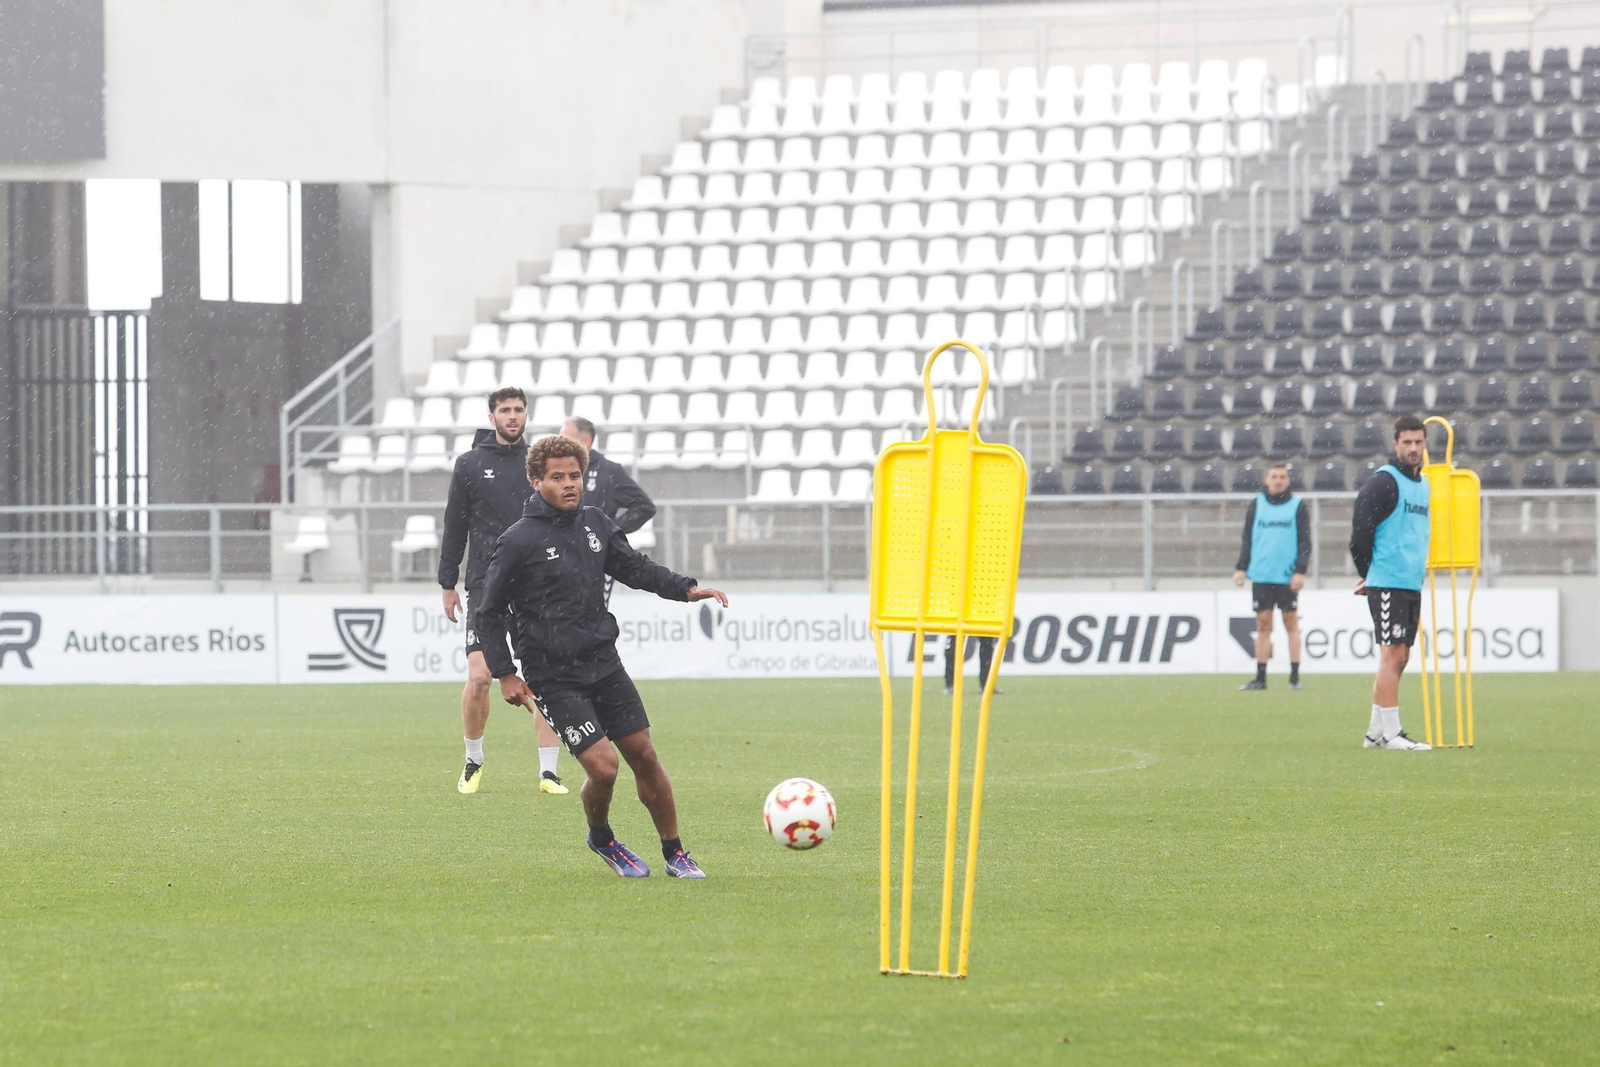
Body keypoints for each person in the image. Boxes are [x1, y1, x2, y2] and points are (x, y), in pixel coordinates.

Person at [475, 435, 729, 878]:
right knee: (604, 768)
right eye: (557, 477)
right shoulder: (518, 541)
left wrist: (686, 589)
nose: (569, 484)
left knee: (643, 754)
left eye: (575, 475)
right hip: (554, 677)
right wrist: (504, 672)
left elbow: (635, 568)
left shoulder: (595, 523)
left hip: (603, 662)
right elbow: (488, 611)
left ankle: (676, 853)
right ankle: (602, 838)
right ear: (536, 481)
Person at [439, 387, 569, 795]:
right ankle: (473, 760)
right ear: (492, 416)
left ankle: (549, 772)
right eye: (505, 410)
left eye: (519, 410)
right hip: (484, 585)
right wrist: (447, 582)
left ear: (526, 415)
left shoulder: (539, 463)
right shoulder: (470, 463)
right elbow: (455, 526)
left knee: (546, 676)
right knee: (480, 677)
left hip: (535, 585)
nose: (513, 416)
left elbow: (560, 517)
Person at [1349, 415, 1433, 751]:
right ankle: (1394, 734)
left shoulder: (1423, 484)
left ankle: (1375, 733)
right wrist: (1369, 573)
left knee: (1401, 658)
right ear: (1396, 444)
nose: (1414, 448)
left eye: (1419, 442)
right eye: (1407, 442)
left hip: (1411, 583)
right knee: (1390, 654)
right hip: (1388, 582)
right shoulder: (1383, 482)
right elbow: (1360, 534)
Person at [560, 417, 656, 604]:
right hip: (563, 556)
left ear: (586, 441)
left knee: (595, 615)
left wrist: (609, 531)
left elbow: (644, 506)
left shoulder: (609, 471)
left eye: (566, 439)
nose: (560, 444)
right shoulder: (557, 471)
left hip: (598, 560)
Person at [1232, 462, 1311, 691]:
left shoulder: (1298, 506)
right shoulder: (1256, 505)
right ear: (1267, 480)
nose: (1278, 480)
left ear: (1288, 481)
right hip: (1262, 574)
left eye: (1282, 477)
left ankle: (1294, 677)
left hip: (1287, 576)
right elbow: (1248, 538)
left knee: (1291, 624)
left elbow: (1305, 541)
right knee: (1263, 624)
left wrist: (1300, 571)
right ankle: (1261, 678)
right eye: (1274, 476)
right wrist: (1241, 567)